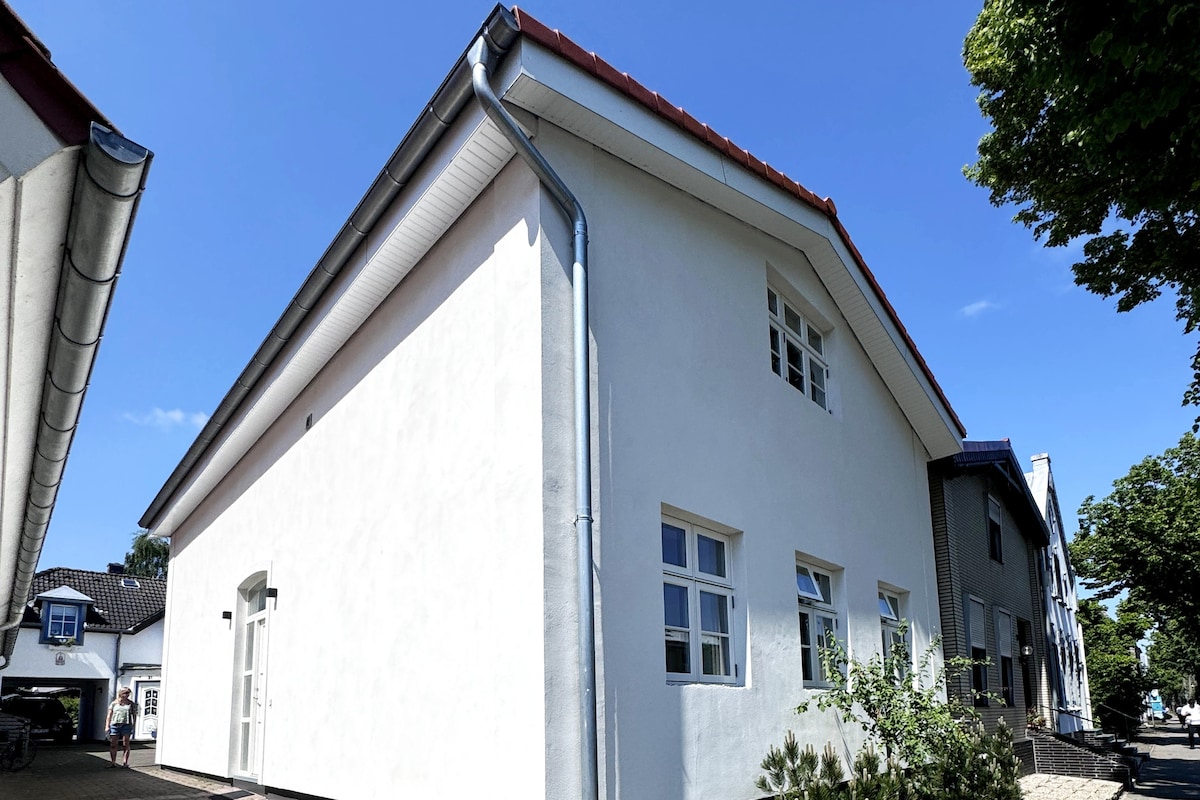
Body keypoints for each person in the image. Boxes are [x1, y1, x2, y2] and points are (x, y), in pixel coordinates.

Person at [104, 687, 138, 767]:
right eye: (125, 693)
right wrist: (107, 726)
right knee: (113, 744)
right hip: (115, 725)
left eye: (128, 693)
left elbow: (134, 715)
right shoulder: (114, 703)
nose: (127, 695)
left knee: (125, 743)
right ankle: (113, 762)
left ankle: (125, 762)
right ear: (121, 693)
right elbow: (109, 715)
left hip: (126, 725)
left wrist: (134, 725)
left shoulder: (131, 704)